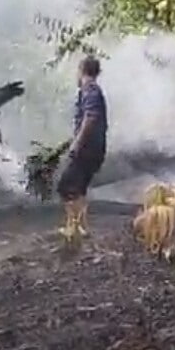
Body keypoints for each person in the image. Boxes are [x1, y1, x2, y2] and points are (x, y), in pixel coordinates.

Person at [57, 55, 107, 241]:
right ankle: (79, 227)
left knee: (66, 186)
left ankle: (76, 227)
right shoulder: (92, 90)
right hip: (94, 147)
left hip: (87, 148)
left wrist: (77, 143)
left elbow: (91, 118)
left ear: (81, 71)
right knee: (78, 188)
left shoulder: (90, 90)